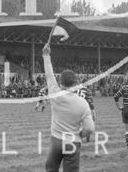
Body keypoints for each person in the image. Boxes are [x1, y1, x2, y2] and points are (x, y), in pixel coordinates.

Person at [42, 43, 94, 172]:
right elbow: (90, 128)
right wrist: (81, 135)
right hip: (73, 142)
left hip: (56, 141)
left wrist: (46, 55)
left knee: (50, 168)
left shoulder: (55, 93)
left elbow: (49, 75)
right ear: (76, 83)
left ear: (60, 83)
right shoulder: (83, 103)